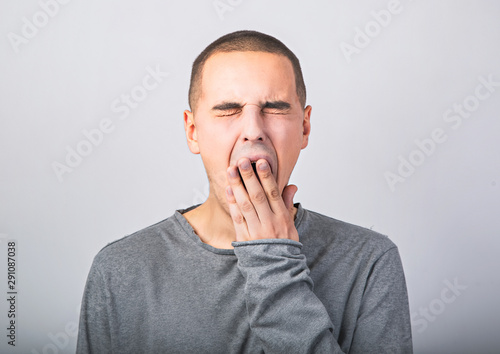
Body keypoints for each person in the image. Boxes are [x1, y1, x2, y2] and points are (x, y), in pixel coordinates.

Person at [77, 30, 413, 353]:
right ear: (192, 131)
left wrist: (274, 265)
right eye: (228, 109)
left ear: (305, 127)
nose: (253, 130)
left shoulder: (370, 261)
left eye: (276, 107)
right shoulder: (120, 269)